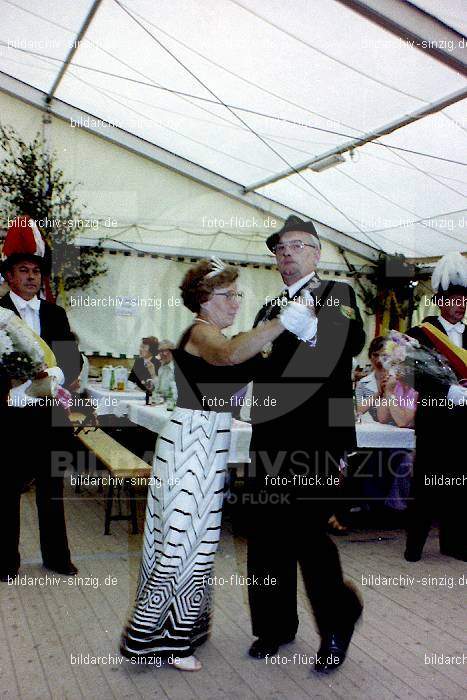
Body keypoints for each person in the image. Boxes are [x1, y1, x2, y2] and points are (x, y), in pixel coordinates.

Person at [120, 257, 314, 672]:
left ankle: (178, 631)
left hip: (209, 441)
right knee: (182, 542)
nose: (236, 303)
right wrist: (283, 322)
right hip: (191, 442)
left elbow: (242, 383)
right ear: (204, 300)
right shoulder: (202, 334)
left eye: (238, 295)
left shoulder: (218, 334)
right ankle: (166, 643)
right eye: (228, 296)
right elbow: (228, 357)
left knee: (196, 540)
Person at [245, 216, 365, 673]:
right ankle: (274, 627)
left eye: (298, 246)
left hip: (314, 438)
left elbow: (347, 341)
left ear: (317, 253)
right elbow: (252, 362)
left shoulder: (337, 295)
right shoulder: (266, 308)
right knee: (265, 537)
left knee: (309, 538)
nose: (288, 253)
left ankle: (337, 624)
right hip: (268, 436)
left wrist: (310, 326)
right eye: (280, 248)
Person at [0, 250, 81, 581]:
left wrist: (51, 378)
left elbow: (71, 361)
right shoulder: (0, 313)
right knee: (6, 489)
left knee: (52, 488)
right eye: (23, 270)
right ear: (9, 276)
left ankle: (57, 557)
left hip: (50, 412)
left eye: (36, 271)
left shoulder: (55, 313)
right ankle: (5, 562)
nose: (32, 276)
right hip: (10, 413)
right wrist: (16, 380)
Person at [404, 252, 467, 562]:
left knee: (459, 486)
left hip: (464, 425)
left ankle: (454, 543)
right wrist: (447, 389)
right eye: (455, 299)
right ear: (441, 301)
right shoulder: (421, 334)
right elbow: (411, 374)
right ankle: (414, 545)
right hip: (434, 423)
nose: (461, 305)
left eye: (464, 299)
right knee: (426, 486)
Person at [356, 336, 418, 428]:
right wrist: (382, 392)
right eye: (375, 355)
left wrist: (389, 391)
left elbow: (403, 421)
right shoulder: (363, 383)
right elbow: (380, 417)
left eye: (384, 356)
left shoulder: (409, 387)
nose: (379, 360)